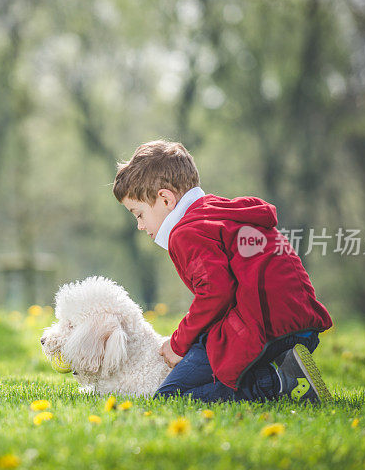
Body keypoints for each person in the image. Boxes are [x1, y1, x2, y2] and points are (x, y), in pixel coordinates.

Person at [112, 139, 333, 403]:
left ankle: (277, 381)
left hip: (264, 330)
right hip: (301, 326)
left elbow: (215, 292)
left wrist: (178, 342)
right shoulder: (216, 213)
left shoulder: (186, 233)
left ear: (165, 199)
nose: (140, 225)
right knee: (202, 354)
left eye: (138, 214)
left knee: (172, 396)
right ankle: (283, 368)